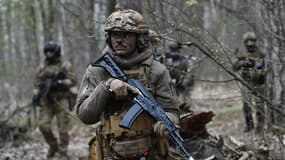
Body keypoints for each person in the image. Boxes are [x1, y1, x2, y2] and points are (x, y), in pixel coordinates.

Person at [76, 9, 183, 160]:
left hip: (151, 152)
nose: (119, 40)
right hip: (110, 152)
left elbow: (172, 111)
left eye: (126, 35)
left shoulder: (156, 70)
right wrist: (106, 87)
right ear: (108, 38)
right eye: (115, 35)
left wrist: (167, 122)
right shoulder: (97, 70)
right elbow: (85, 116)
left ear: (139, 38)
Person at [33, 42, 76, 159]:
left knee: (63, 129)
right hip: (46, 100)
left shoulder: (65, 65)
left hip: (62, 99)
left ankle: (63, 153)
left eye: (51, 52)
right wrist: (36, 95)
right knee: (43, 126)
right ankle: (53, 146)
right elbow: (37, 83)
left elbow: (73, 80)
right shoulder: (42, 67)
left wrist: (59, 83)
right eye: (47, 52)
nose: (48, 54)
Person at [233, 32, 266, 133]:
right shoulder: (243, 54)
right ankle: (249, 125)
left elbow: (262, 65)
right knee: (246, 105)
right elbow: (234, 67)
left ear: (255, 41)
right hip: (246, 82)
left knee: (259, 106)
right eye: (247, 41)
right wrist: (242, 62)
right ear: (245, 43)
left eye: (252, 41)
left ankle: (260, 127)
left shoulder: (261, 53)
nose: (250, 43)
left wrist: (256, 66)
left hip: (259, 83)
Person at [165, 42, 195, 110]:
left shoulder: (185, 60)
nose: (175, 52)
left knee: (185, 102)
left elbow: (189, 74)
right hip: (169, 86)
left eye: (176, 50)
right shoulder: (166, 59)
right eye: (172, 50)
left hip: (182, 86)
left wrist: (183, 82)